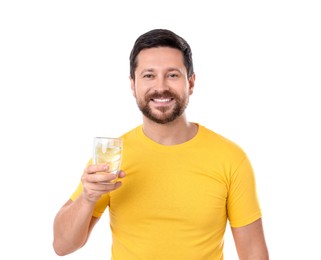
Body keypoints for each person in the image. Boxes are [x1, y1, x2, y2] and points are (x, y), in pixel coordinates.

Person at [53, 28, 269, 259]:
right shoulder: (113, 156)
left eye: (173, 75)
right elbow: (62, 246)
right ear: (133, 84)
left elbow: (253, 253)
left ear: (191, 82)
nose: (161, 86)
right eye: (149, 75)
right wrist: (87, 198)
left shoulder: (230, 158)